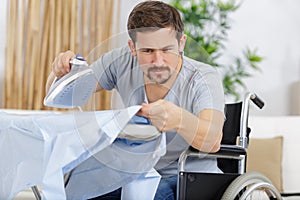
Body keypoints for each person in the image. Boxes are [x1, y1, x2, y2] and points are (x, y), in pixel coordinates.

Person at [46, 1, 225, 199]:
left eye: (166, 50)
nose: (158, 61)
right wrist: (62, 74)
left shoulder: (203, 78)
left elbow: (213, 141)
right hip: (136, 171)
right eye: (147, 51)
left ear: (181, 43)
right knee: (79, 193)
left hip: (186, 175)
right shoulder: (120, 61)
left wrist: (179, 119)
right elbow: (64, 97)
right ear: (132, 47)